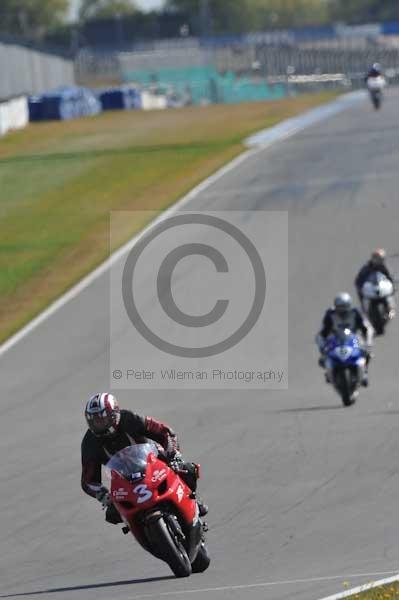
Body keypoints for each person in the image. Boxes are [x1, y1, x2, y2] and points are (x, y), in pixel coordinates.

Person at [81, 393, 208, 525]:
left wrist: (174, 455)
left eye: (102, 419)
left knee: (187, 470)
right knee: (113, 513)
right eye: (94, 420)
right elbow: (88, 480)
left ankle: (193, 500)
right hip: (123, 479)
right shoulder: (89, 442)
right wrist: (104, 496)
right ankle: (142, 532)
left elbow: (164, 431)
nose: (98, 424)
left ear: (114, 414)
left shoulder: (129, 418)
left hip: (152, 461)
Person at [316, 292, 374, 386]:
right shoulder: (330, 315)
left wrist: (368, 342)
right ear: (336, 306)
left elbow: (367, 328)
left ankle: (364, 373)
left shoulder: (356, 313)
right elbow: (322, 332)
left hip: (353, 339)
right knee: (325, 356)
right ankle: (329, 372)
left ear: (349, 305)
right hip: (336, 340)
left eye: (344, 306)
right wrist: (322, 347)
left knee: (366, 353)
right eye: (340, 307)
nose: (342, 310)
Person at [355, 249, 395, 318]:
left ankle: (391, 310)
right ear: (373, 258)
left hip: (381, 288)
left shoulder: (383, 268)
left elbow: (389, 277)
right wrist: (360, 287)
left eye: (380, 259)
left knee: (389, 296)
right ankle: (364, 309)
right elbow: (359, 279)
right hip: (370, 288)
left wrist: (392, 285)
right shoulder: (366, 268)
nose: (378, 261)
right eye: (376, 259)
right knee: (361, 296)